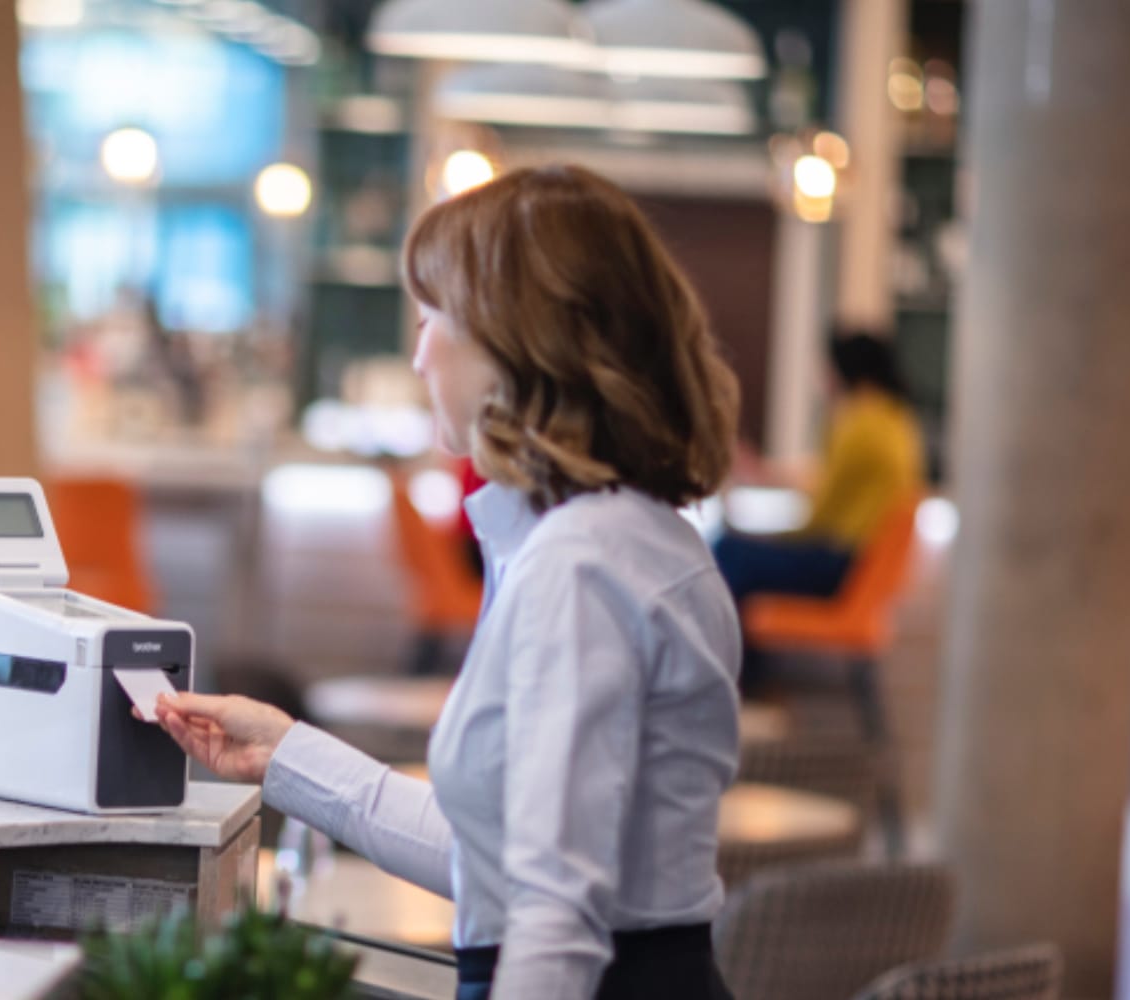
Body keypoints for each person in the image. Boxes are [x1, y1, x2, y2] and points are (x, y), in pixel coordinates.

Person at [151, 166, 742, 1000]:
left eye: (433, 319)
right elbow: (495, 860)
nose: (420, 351)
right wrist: (282, 752)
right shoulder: (632, 536)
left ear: (521, 342)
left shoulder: (578, 565)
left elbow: (553, 919)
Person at [712, 332, 925, 607]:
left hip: (841, 565)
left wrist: (772, 537)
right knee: (739, 552)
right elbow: (830, 480)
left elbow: (820, 518)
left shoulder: (858, 423)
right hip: (860, 562)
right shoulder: (896, 420)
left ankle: (727, 650)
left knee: (729, 551)